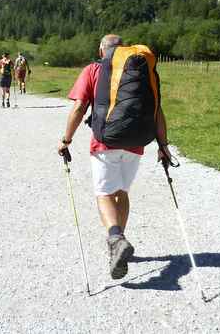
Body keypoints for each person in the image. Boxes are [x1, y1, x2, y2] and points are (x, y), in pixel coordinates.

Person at [57, 34, 171, 280]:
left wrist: (66, 139)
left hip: (105, 142)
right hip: (136, 142)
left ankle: (116, 239)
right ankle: (117, 242)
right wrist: (163, 146)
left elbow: (79, 107)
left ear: (101, 50)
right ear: (123, 50)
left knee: (104, 194)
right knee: (121, 193)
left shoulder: (94, 69)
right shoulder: (141, 70)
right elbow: (157, 109)